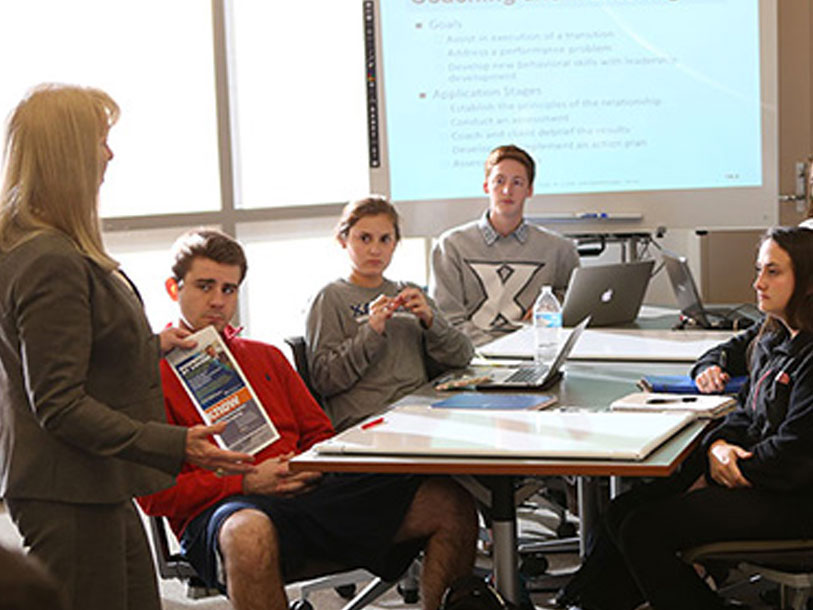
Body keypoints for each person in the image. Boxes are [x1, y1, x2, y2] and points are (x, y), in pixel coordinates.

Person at [0, 84, 254, 610]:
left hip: (92, 483)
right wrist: (175, 443)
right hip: (68, 490)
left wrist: (150, 345)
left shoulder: (42, 245)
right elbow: (59, 402)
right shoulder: (50, 258)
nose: (109, 154)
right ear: (68, 153)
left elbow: (69, 353)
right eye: (100, 140)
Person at [138, 228, 478, 610]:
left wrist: (306, 466)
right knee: (248, 534)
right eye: (205, 286)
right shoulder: (148, 374)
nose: (218, 301)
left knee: (449, 503)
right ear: (173, 288)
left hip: (305, 489)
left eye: (229, 289)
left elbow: (321, 434)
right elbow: (153, 495)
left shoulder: (265, 356)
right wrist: (246, 482)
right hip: (227, 507)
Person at [556, 226, 813, 610]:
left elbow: (796, 455)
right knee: (624, 509)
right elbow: (745, 410)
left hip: (791, 499)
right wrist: (720, 445)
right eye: (758, 269)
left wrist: (718, 473)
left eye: (773, 272)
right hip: (751, 475)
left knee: (644, 529)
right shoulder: (772, 336)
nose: (757, 283)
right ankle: (585, 603)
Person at [306, 196, 474, 431]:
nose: (375, 249)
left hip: (421, 415)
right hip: (367, 424)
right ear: (344, 240)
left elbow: (463, 357)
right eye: (364, 239)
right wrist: (371, 332)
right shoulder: (330, 297)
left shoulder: (408, 292)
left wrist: (432, 322)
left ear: (395, 244)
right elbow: (324, 380)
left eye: (385, 239)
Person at [429, 144, 580, 346]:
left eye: (517, 183)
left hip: (536, 354)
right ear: (486, 186)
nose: (507, 190)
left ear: (530, 190)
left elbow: (575, 303)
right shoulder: (450, 246)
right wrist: (497, 350)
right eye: (499, 181)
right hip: (472, 358)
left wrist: (554, 305)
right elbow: (447, 321)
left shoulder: (560, 249)